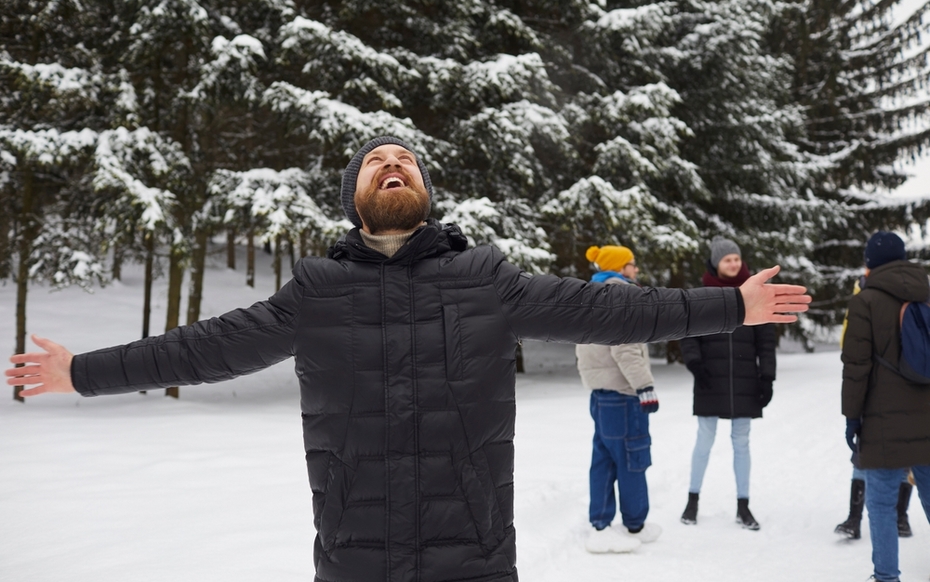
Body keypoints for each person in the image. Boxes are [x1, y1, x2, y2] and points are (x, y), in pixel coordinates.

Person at [5, 136, 811, 582]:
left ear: (426, 190)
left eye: (408, 162)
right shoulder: (315, 292)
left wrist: (729, 307)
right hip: (354, 561)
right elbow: (202, 348)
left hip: (478, 562)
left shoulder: (484, 279)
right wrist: (82, 371)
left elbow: (609, 308)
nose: (392, 167)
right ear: (354, 195)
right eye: (374, 163)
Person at [841, 231, 930, 582]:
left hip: (882, 420)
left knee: (880, 504)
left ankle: (886, 576)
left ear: (869, 262)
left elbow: (856, 366)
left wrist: (851, 417)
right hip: (927, 416)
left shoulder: (865, 301)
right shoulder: (927, 293)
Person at [679, 237, 777, 530]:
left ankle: (743, 506)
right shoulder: (703, 294)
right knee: (704, 441)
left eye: (736, 258)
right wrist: (695, 364)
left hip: (746, 381)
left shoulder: (755, 293)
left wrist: (767, 377)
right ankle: (692, 500)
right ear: (716, 263)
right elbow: (688, 333)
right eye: (727, 259)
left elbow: (766, 340)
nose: (734, 264)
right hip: (710, 379)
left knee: (742, 443)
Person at [575, 245, 661, 554]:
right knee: (632, 458)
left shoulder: (592, 294)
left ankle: (600, 523)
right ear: (620, 267)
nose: (636, 269)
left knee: (604, 459)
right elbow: (625, 349)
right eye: (632, 264)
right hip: (623, 395)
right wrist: (645, 386)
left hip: (601, 395)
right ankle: (633, 524)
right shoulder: (621, 296)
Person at [834, 273, 914, 541]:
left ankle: (898, 517)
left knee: (897, 453)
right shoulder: (911, 289)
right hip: (888, 387)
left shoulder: (907, 292)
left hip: (895, 385)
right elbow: (849, 342)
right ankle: (857, 518)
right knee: (870, 451)